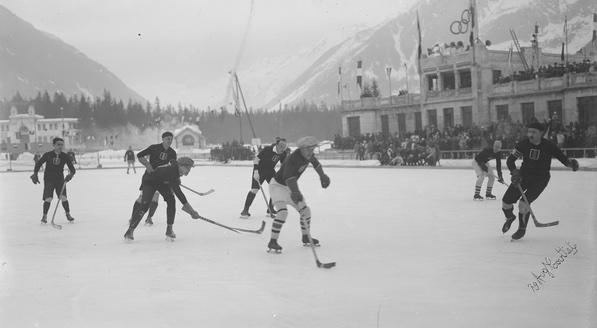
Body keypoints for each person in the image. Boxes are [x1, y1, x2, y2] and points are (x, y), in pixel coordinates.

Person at [501, 122, 579, 241]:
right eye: (529, 132)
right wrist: (515, 172)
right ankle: (510, 217)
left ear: (541, 133)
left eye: (533, 132)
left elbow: (563, 159)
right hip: (523, 176)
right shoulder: (523, 144)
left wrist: (571, 163)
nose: (530, 135)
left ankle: (521, 229)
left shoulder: (549, 146)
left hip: (540, 179)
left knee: (523, 204)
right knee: (506, 203)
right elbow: (510, 160)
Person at [267, 136, 331, 252]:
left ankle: (306, 236)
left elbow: (316, 164)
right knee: (282, 212)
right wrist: (295, 192)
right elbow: (287, 176)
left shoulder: (309, 155)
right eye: (308, 150)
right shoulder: (292, 158)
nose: (311, 153)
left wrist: (322, 176)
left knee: (306, 211)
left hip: (291, 187)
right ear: (302, 149)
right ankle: (273, 241)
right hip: (278, 186)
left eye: (312, 150)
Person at [124, 157, 200, 242]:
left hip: (162, 183)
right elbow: (179, 194)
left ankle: (169, 229)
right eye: (187, 168)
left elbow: (172, 174)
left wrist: (177, 179)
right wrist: (191, 211)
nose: (188, 170)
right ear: (180, 165)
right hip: (150, 182)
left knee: (171, 200)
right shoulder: (172, 171)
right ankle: (130, 231)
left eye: (190, 168)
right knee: (145, 205)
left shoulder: (176, 170)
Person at [131, 132, 177, 226]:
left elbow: (174, 168)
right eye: (168, 139)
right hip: (150, 177)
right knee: (142, 199)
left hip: (162, 179)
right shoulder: (154, 148)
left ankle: (149, 218)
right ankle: (133, 218)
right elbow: (140, 155)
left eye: (171, 139)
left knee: (155, 199)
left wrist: (174, 179)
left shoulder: (172, 153)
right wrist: (147, 165)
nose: (170, 141)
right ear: (163, 139)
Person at [30, 137, 76, 223]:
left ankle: (68, 214)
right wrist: (35, 173)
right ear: (54, 145)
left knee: (63, 197)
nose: (60, 146)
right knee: (48, 198)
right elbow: (38, 164)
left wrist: (70, 175)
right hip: (49, 179)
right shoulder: (48, 155)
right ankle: (44, 216)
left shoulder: (64, 156)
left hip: (60, 180)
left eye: (61, 145)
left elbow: (72, 169)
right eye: (58, 144)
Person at [240, 137, 288, 219]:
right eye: (281, 148)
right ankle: (245, 210)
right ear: (276, 145)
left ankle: (270, 209)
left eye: (284, 148)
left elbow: (283, 164)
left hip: (270, 171)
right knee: (254, 190)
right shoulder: (268, 149)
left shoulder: (283, 153)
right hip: (260, 170)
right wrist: (256, 171)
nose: (282, 150)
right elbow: (256, 159)